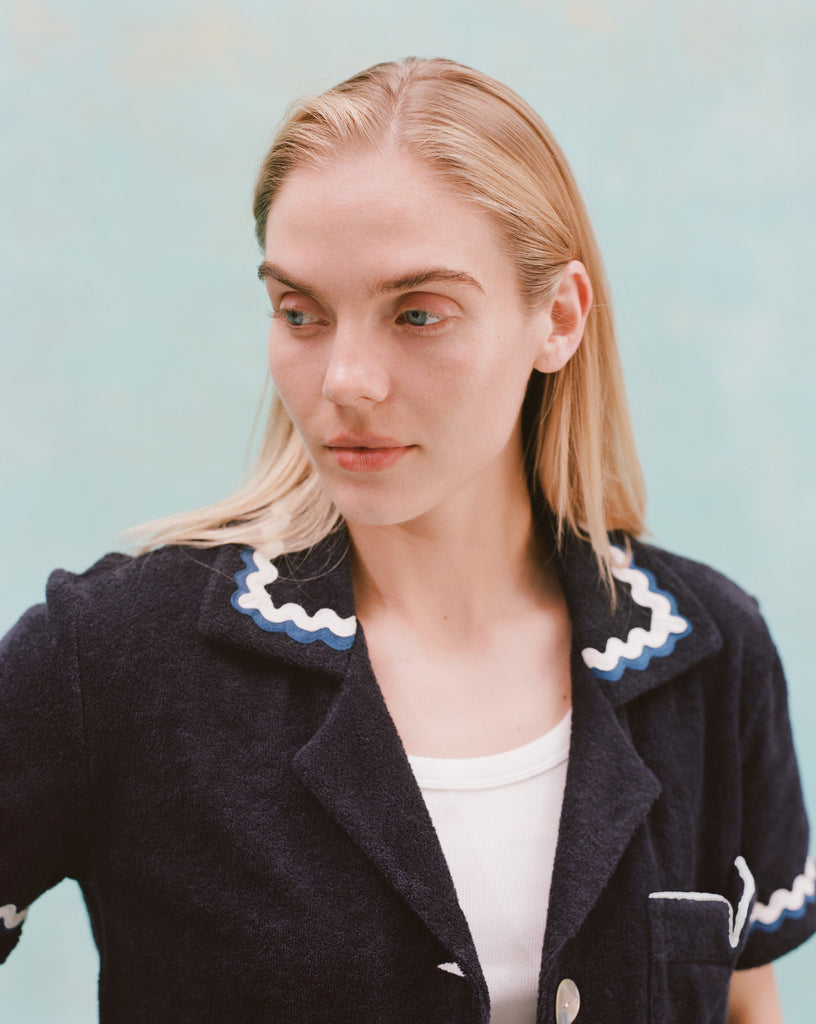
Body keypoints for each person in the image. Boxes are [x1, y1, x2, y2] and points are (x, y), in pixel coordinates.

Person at [0, 57, 813, 1024]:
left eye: (418, 313)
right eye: (299, 313)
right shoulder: (112, 658)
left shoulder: (709, 651)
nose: (345, 379)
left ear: (557, 319)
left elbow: (745, 1006)